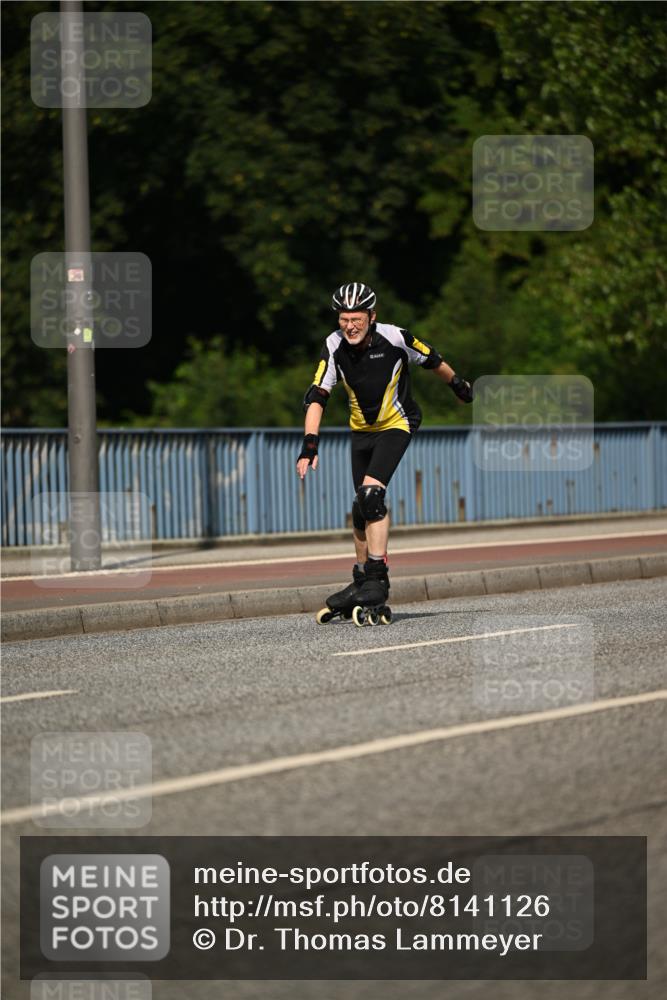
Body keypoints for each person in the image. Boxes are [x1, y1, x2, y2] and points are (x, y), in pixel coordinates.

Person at [296, 282, 473, 624]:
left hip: (398, 422)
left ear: (371, 317)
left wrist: (457, 385)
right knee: (360, 508)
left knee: (372, 495)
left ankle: (378, 578)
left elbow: (433, 359)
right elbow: (317, 395)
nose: (349, 325)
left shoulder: (395, 338)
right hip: (361, 431)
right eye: (344, 318)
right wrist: (309, 442)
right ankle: (362, 580)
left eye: (356, 318)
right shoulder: (333, 345)